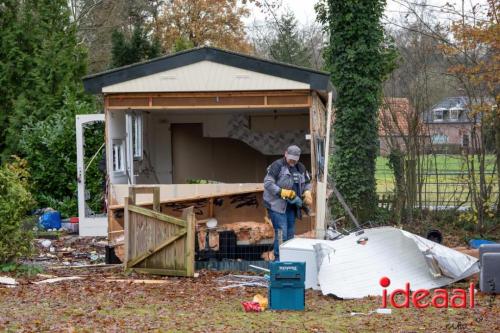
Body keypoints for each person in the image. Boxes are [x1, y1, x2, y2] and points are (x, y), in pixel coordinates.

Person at [263, 145, 313, 261]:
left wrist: (307, 192)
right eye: (291, 158)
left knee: (290, 235)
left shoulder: (301, 167)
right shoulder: (277, 166)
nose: (292, 161)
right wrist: (282, 192)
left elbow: (307, 182)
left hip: (291, 207)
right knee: (282, 233)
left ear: (298, 158)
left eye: (295, 159)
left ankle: (288, 260)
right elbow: (268, 184)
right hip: (276, 206)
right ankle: (279, 261)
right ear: (286, 154)